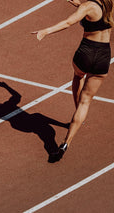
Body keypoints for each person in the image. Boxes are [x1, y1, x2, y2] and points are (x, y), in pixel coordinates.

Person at [32, 0, 113, 159]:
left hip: (86, 52)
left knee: (78, 76)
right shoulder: (110, 5)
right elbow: (97, 14)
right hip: (104, 56)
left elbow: (69, 22)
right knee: (86, 101)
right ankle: (66, 142)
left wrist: (45, 31)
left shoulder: (88, 6)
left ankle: (76, 111)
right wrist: (78, 5)